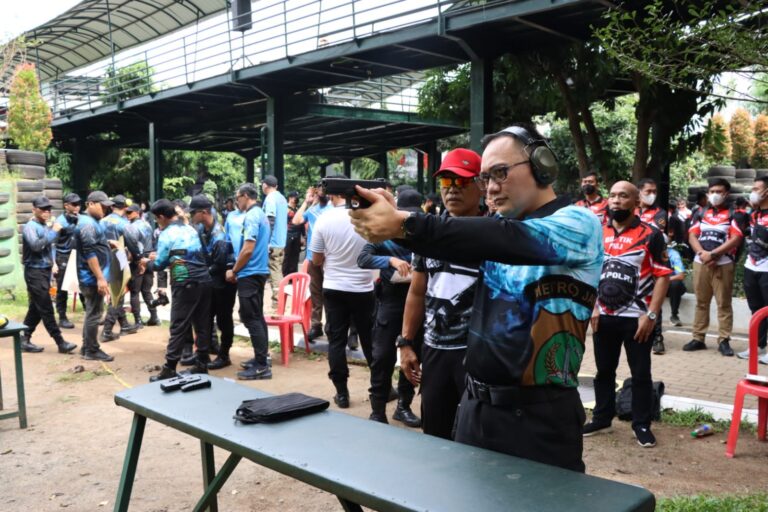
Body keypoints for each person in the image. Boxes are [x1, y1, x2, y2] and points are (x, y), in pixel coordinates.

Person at [350, 123, 603, 472]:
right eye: (486, 178)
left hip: (538, 417)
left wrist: (405, 224)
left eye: (501, 172)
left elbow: (505, 238)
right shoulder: (499, 230)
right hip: (476, 407)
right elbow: (458, 242)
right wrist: (392, 218)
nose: (492, 188)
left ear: (542, 165)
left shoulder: (578, 223)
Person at [398, 148, 484, 439]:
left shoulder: (496, 235)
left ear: (480, 185)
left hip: (475, 354)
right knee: (434, 431)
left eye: (461, 182)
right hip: (435, 352)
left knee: (477, 434)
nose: (452, 191)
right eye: (446, 183)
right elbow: (417, 291)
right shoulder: (429, 233)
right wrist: (407, 343)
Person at [584, 181, 671, 448]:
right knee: (603, 371)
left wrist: (652, 315)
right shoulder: (598, 232)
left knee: (641, 373)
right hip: (604, 316)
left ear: (636, 202)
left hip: (638, 318)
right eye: (612, 196)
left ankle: (641, 424)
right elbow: (588, 270)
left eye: (623, 196)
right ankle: (602, 417)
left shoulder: (652, 235)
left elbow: (663, 276)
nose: (616, 200)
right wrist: (593, 307)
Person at [357, 189, 424, 426]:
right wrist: (390, 260)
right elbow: (363, 259)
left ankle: (403, 406)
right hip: (391, 302)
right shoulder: (384, 237)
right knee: (382, 356)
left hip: (418, 304)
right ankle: (377, 410)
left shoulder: (425, 235)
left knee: (414, 355)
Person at [310, 178, 376, 409]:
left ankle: (342, 393)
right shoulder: (366, 217)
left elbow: (316, 260)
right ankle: (381, 389)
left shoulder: (323, 220)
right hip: (363, 288)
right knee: (369, 340)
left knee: (336, 341)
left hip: (334, 288)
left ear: (332, 195)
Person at [142, 199, 212, 381]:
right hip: (204, 280)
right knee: (202, 323)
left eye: (157, 220)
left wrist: (146, 263)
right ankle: (202, 363)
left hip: (184, 281)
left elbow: (159, 264)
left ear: (161, 217)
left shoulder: (166, 233)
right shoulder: (190, 229)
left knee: (178, 325)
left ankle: (170, 368)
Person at [686, 178, 743, 356]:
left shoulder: (735, 214)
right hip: (700, 262)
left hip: (723, 264)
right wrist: (703, 254)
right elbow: (692, 236)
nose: (715, 195)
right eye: (712, 191)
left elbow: (736, 239)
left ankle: (724, 340)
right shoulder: (700, 212)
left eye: (719, 191)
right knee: (701, 303)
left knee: (723, 304)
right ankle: (698, 338)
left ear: (727, 194)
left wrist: (714, 254)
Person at [19, 195, 76, 354]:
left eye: (49, 209)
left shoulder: (45, 225)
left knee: (36, 308)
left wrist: (53, 264)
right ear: (34, 210)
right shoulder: (30, 226)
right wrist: (54, 231)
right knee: (46, 307)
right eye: (43, 209)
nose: (47, 211)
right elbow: (37, 246)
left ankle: (24, 338)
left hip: (44, 270)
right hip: (34, 272)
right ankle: (60, 342)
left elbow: (50, 246)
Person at [227, 183, 273, 380]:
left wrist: (234, 270)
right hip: (257, 271)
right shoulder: (260, 214)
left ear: (245, 196)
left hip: (250, 272)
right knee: (256, 315)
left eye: (238, 197)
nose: (237, 201)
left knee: (250, 317)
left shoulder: (252, 216)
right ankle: (262, 358)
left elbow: (248, 248)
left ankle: (262, 366)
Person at [189, 194, 238, 370]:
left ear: (203, 212)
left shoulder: (219, 235)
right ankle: (204, 351)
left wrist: (202, 271)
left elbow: (220, 264)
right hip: (209, 282)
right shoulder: (202, 230)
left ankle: (224, 355)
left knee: (224, 320)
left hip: (223, 284)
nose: (191, 216)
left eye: (193, 212)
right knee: (205, 319)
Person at [74, 191, 115, 361]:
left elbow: (94, 247)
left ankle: (86, 347)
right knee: (95, 314)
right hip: (92, 279)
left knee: (92, 312)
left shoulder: (92, 222)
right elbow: (90, 254)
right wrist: (100, 278)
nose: (105, 209)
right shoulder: (88, 225)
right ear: (90, 204)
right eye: (102, 205)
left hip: (92, 277)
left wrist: (106, 244)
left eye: (107, 206)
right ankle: (92, 350)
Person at [292, 185, 333, 342]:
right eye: (319, 190)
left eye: (323, 189)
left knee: (329, 293)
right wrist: (306, 202)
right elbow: (296, 221)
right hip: (312, 256)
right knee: (315, 293)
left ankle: (331, 326)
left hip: (328, 258)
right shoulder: (313, 209)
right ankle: (316, 326)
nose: (320, 192)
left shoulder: (332, 209)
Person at [100, 194, 139, 342]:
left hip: (103, 259)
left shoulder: (102, 221)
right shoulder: (124, 224)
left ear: (111, 206)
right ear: (126, 207)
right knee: (118, 295)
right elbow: (133, 242)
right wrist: (138, 258)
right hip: (120, 258)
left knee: (117, 292)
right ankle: (107, 331)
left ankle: (124, 325)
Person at [739, 177, 768, 363]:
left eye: (757, 189)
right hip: (751, 265)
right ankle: (756, 345)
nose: (753, 191)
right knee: (756, 309)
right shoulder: (754, 214)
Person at [125, 203, 159, 327]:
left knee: (135, 291)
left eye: (129, 212)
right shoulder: (148, 225)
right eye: (126, 212)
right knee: (146, 291)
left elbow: (134, 246)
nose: (127, 215)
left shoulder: (131, 227)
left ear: (137, 213)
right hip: (149, 259)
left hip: (138, 261)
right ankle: (154, 317)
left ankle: (138, 320)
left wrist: (139, 260)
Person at [53, 193, 81, 329]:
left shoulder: (81, 219)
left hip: (78, 255)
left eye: (78, 204)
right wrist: (53, 263)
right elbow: (52, 243)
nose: (77, 207)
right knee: (62, 288)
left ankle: (91, 313)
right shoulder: (60, 221)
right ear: (66, 206)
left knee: (83, 284)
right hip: (63, 257)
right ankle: (62, 317)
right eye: (74, 204)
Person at [262, 175, 288, 311]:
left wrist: (266, 242)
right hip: (281, 240)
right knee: (277, 270)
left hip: (273, 242)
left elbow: (270, 220)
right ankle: (279, 302)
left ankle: (278, 304)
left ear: (265, 185)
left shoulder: (270, 198)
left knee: (275, 272)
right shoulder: (282, 198)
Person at [282, 190, 304, 277]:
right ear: (290, 198)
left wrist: (304, 236)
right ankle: (285, 275)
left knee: (295, 256)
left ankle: (293, 276)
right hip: (287, 234)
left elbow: (301, 223)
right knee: (287, 256)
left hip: (297, 235)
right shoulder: (285, 208)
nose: (297, 199)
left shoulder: (298, 210)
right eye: (295, 197)